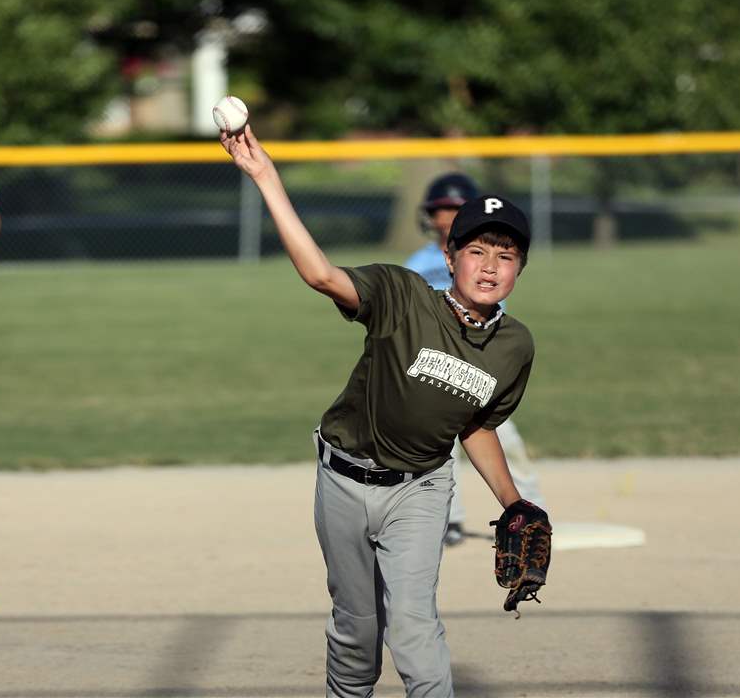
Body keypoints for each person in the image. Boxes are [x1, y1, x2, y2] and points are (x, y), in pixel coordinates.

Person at [220, 126, 543, 698]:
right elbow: (321, 275)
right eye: (476, 251)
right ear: (450, 255)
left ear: (520, 268)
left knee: (416, 629)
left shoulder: (515, 345)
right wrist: (267, 176)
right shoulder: (402, 294)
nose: (490, 267)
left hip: (421, 488)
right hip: (343, 478)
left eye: (506, 255)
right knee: (356, 635)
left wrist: (512, 502)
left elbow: (477, 422)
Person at [406, 173, 547, 546]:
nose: (447, 215)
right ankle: (448, 521)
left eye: (455, 208)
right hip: (433, 370)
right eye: (441, 209)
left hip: (480, 370)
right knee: (438, 451)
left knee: (506, 441)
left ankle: (530, 512)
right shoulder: (419, 262)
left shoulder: (489, 265)